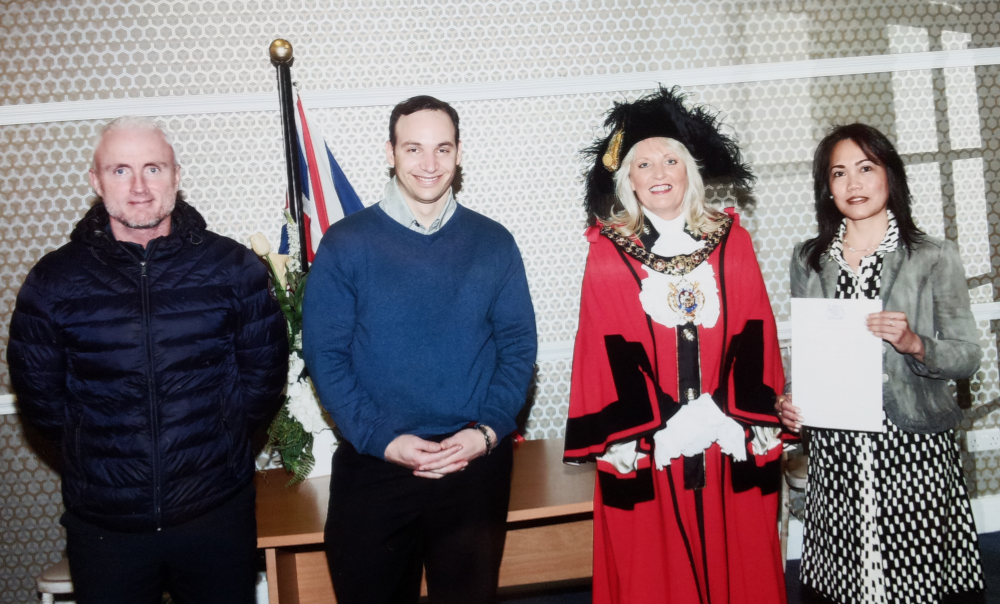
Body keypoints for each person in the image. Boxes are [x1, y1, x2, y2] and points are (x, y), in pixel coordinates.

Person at [6, 116, 288, 604]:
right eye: (120, 170)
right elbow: (41, 400)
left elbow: (263, 381)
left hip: (215, 513)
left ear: (176, 176)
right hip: (107, 525)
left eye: (153, 168)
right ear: (96, 181)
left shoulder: (234, 268)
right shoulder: (53, 281)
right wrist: (100, 457)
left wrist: (216, 440)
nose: (138, 187)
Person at [302, 95, 537, 604]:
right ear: (390, 152)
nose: (429, 164)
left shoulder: (494, 242)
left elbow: (518, 347)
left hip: (473, 465)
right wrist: (383, 440)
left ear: (459, 154)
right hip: (376, 463)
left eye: (442, 149)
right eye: (413, 149)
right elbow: (326, 355)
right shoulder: (345, 243)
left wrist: (487, 432)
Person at [563, 86, 788, 604]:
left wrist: (724, 412)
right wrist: (667, 422)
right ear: (629, 180)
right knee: (655, 571)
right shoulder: (607, 251)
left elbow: (755, 332)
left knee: (739, 562)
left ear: (690, 170)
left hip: (727, 432)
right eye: (643, 164)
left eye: (670, 159)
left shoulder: (733, 239)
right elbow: (605, 351)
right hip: (651, 441)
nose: (659, 172)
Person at [778, 123, 985, 603]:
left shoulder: (932, 256)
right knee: (844, 577)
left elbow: (968, 355)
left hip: (911, 441)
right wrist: (791, 398)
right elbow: (807, 350)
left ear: (890, 174)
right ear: (827, 188)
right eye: (839, 173)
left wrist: (916, 344)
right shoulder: (809, 259)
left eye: (866, 168)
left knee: (915, 574)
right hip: (837, 443)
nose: (853, 183)